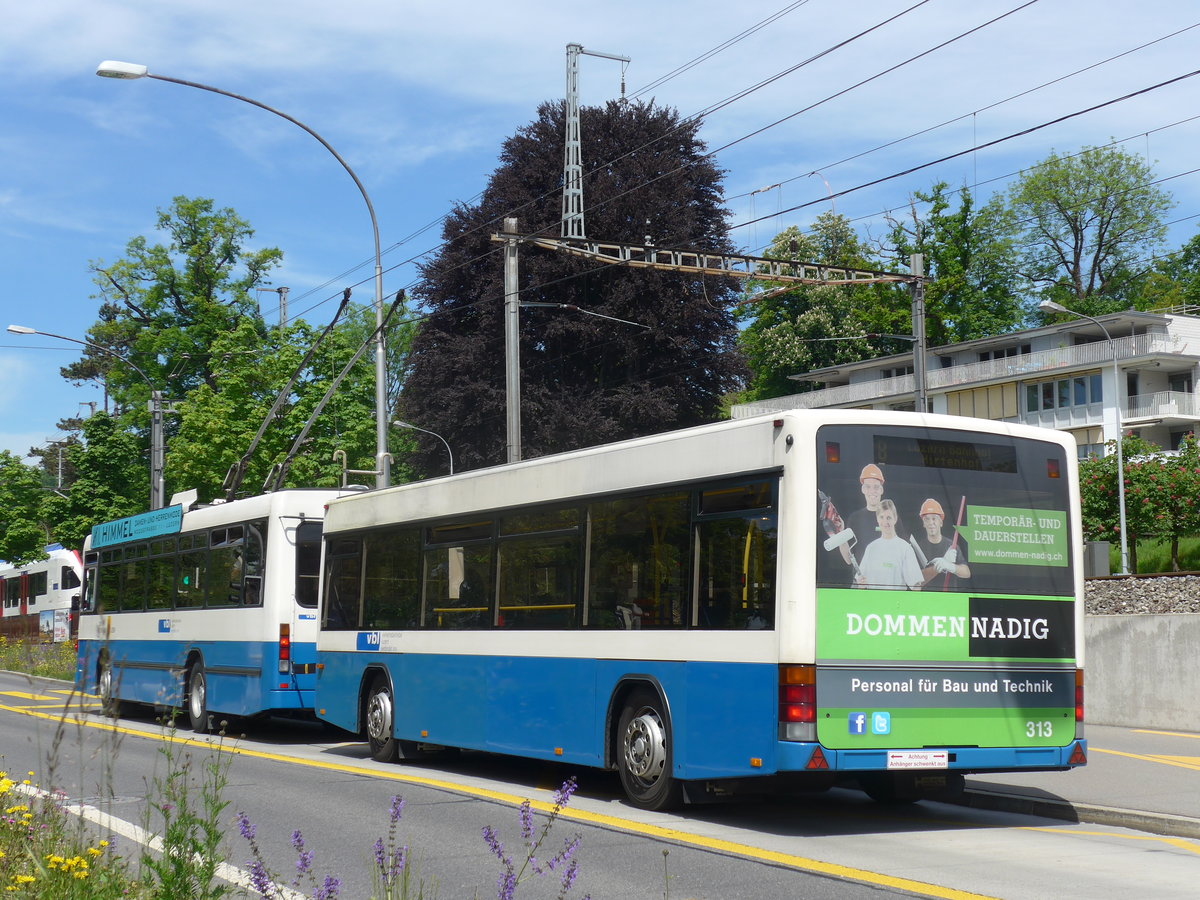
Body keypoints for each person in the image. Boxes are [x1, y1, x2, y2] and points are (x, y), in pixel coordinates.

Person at [855, 500, 924, 590]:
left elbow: (916, 586)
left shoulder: (905, 548)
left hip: (895, 602)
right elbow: (861, 582)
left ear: (895, 519)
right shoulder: (871, 548)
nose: (885, 522)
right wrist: (861, 584)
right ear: (877, 519)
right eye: (882, 517)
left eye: (889, 518)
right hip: (873, 602)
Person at [911, 498, 971, 591]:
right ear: (923, 523)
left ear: (941, 522)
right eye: (927, 519)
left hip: (948, 600)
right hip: (926, 601)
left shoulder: (952, 546)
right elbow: (915, 583)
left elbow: (966, 573)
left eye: (934, 518)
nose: (931, 523)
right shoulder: (917, 548)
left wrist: (951, 566)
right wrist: (938, 567)